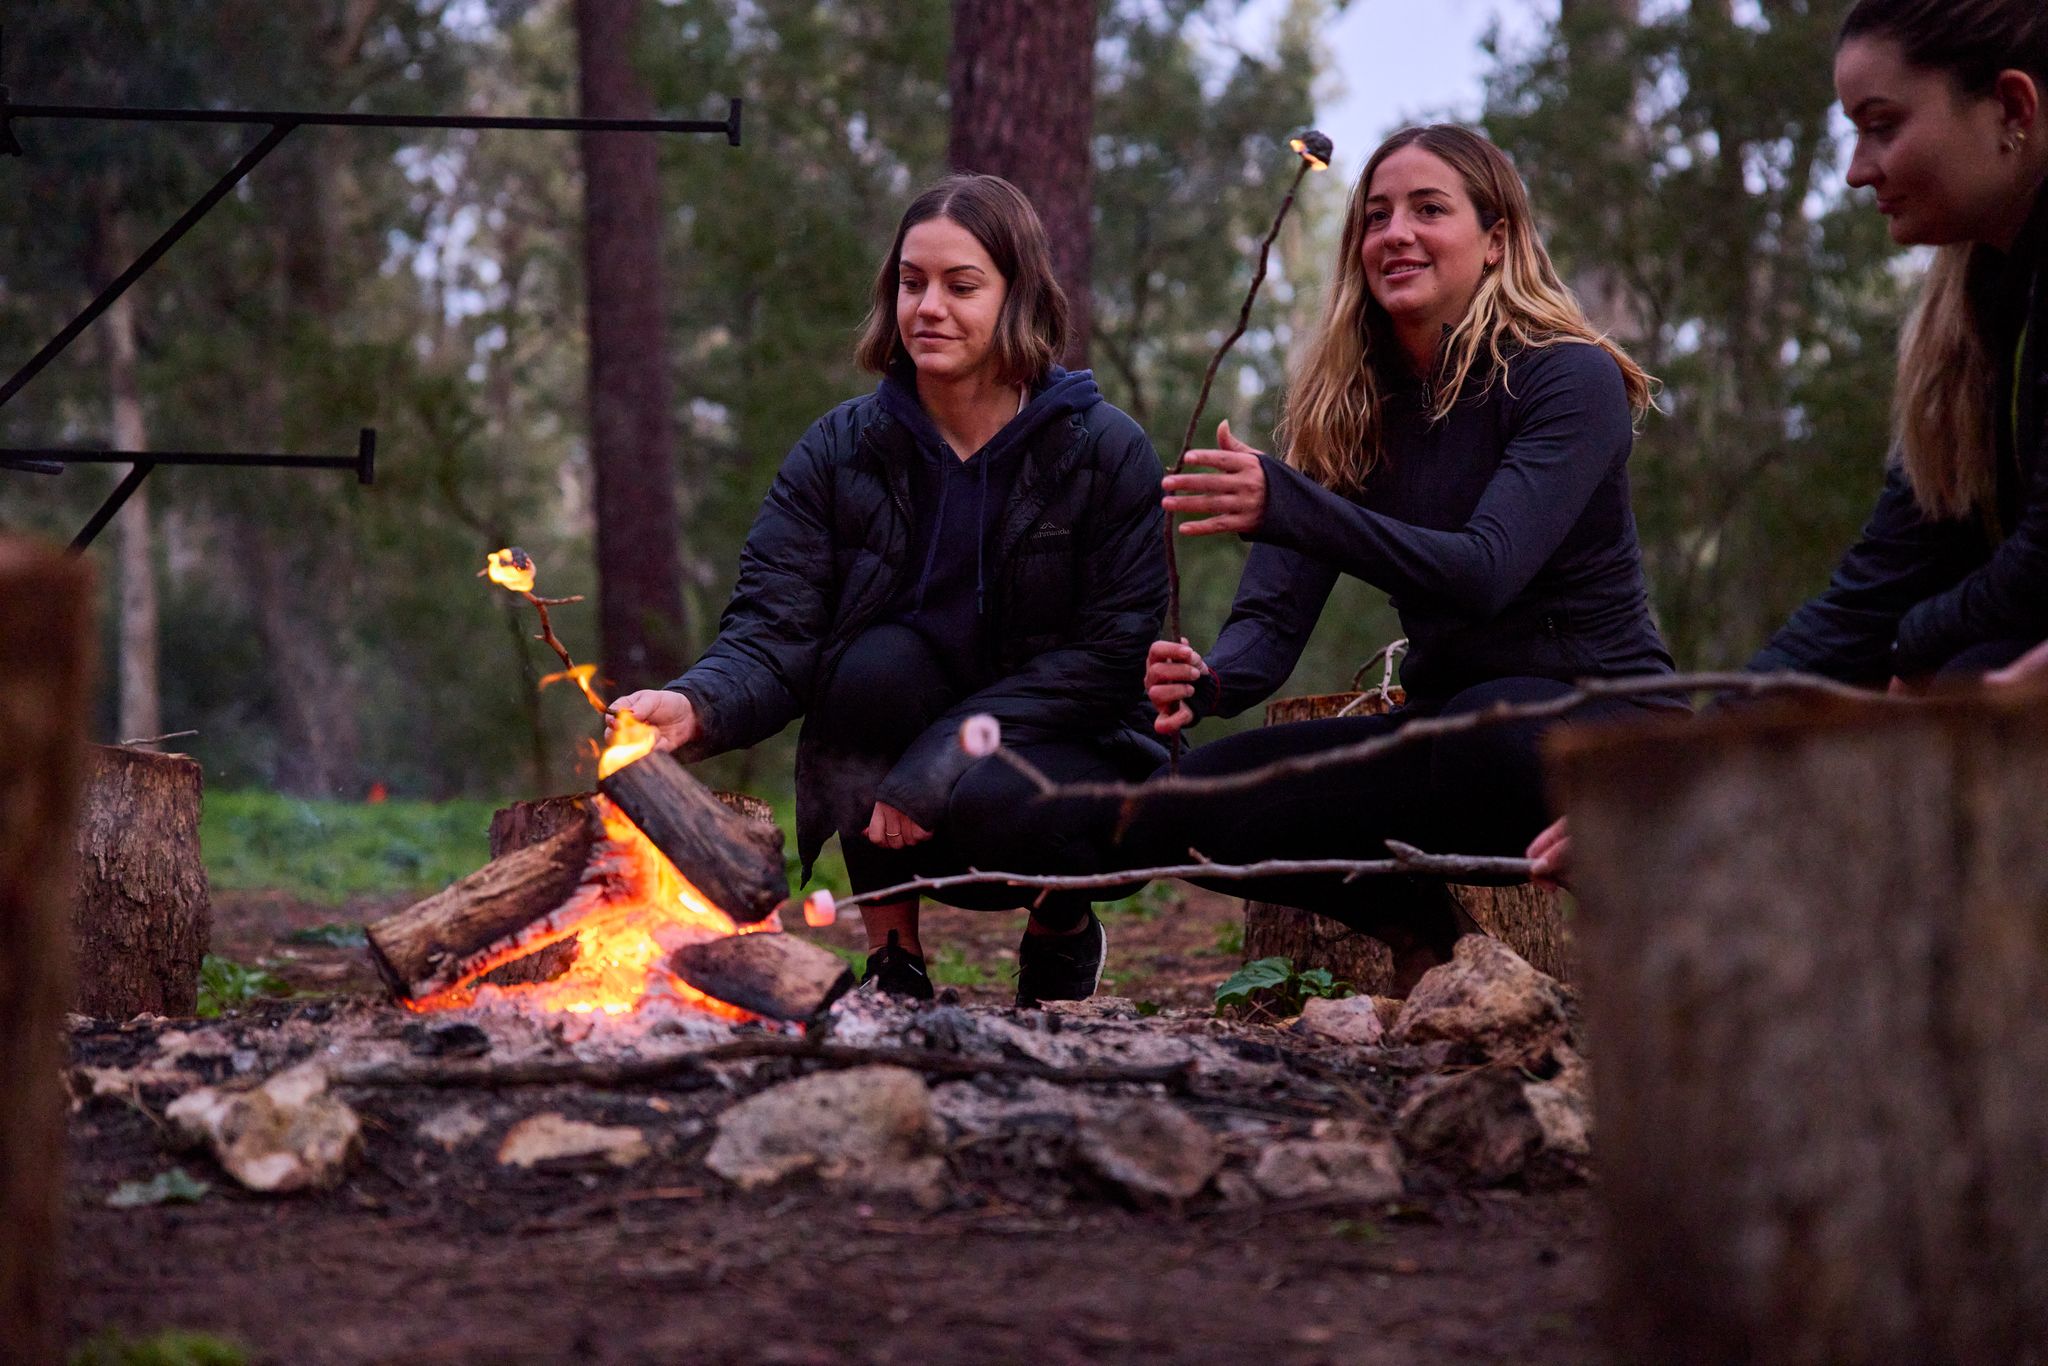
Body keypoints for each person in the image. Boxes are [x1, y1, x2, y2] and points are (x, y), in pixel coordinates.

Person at [1130, 125, 1679, 991]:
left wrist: (1294, 507)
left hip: (1595, 720)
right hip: (1450, 727)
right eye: (1376, 215)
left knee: (1485, 738)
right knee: (1176, 808)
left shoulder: (1567, 376)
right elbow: (1272, 621)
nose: (1397, 233)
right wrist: (1212, 680)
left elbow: (1485, 568)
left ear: (1496, 240)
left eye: (1430, 210)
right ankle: (1437, 945)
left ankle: (1667, 946)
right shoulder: (1349, 402)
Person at [608, 175, 1166, 1004]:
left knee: (1025, 805)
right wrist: (698, 704)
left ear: (1018, 294)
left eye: (961, 285)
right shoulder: (840, 450)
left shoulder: (1105, 450)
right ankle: (895, 956)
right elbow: (775, 624)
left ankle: (1060, 926)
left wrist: (945, 753)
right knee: (870, 668)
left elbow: (1113, 655)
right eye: (912, 284)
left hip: (1059, 741)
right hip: (905, 730)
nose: (929, 307)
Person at [1530, 0, 2048, 884]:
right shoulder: (1975, 315)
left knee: (1970, 683)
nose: (1856, 171)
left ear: (2011, 107)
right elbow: (1879, 586)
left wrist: (1921, 651)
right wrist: (1686, 763)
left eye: (1882, 127)